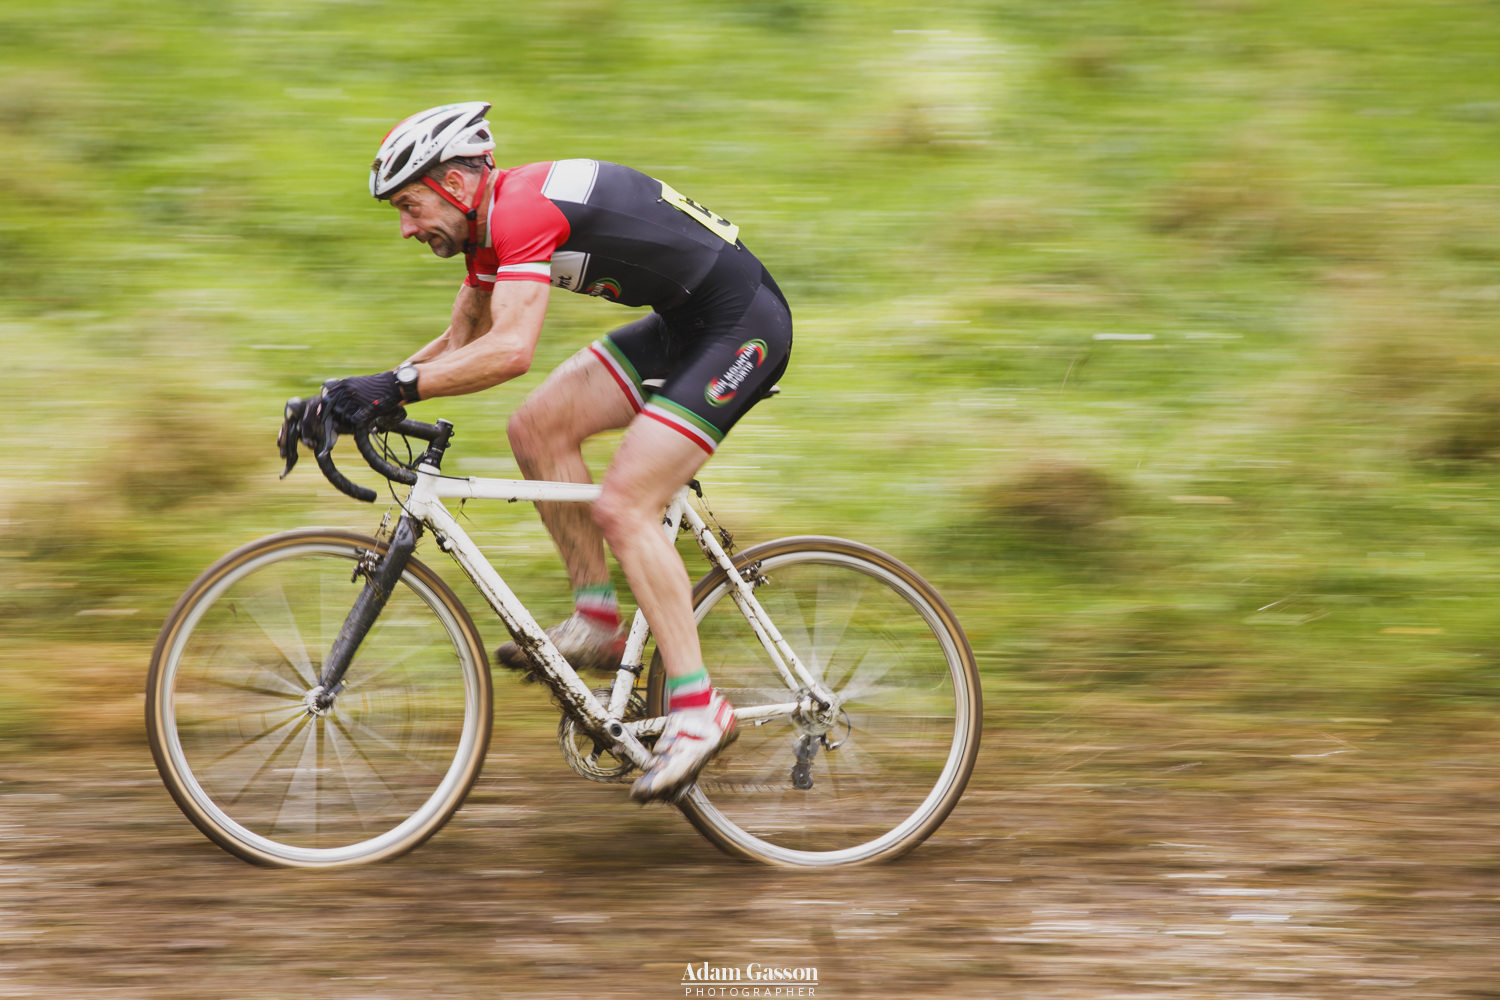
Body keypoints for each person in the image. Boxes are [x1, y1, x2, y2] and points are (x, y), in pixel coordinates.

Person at [314, 102, 792, 803]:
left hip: (742, 325)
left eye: (412, 206)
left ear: (455, 182)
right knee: (536, 431)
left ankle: (698, 711)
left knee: (626, 502)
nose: (408, 228)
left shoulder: (520, 212)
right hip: (682, 326)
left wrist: (389, 388)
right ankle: (598, 620)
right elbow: (458, 347)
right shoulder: (486, 234)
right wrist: (346, 397)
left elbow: (510, 352)